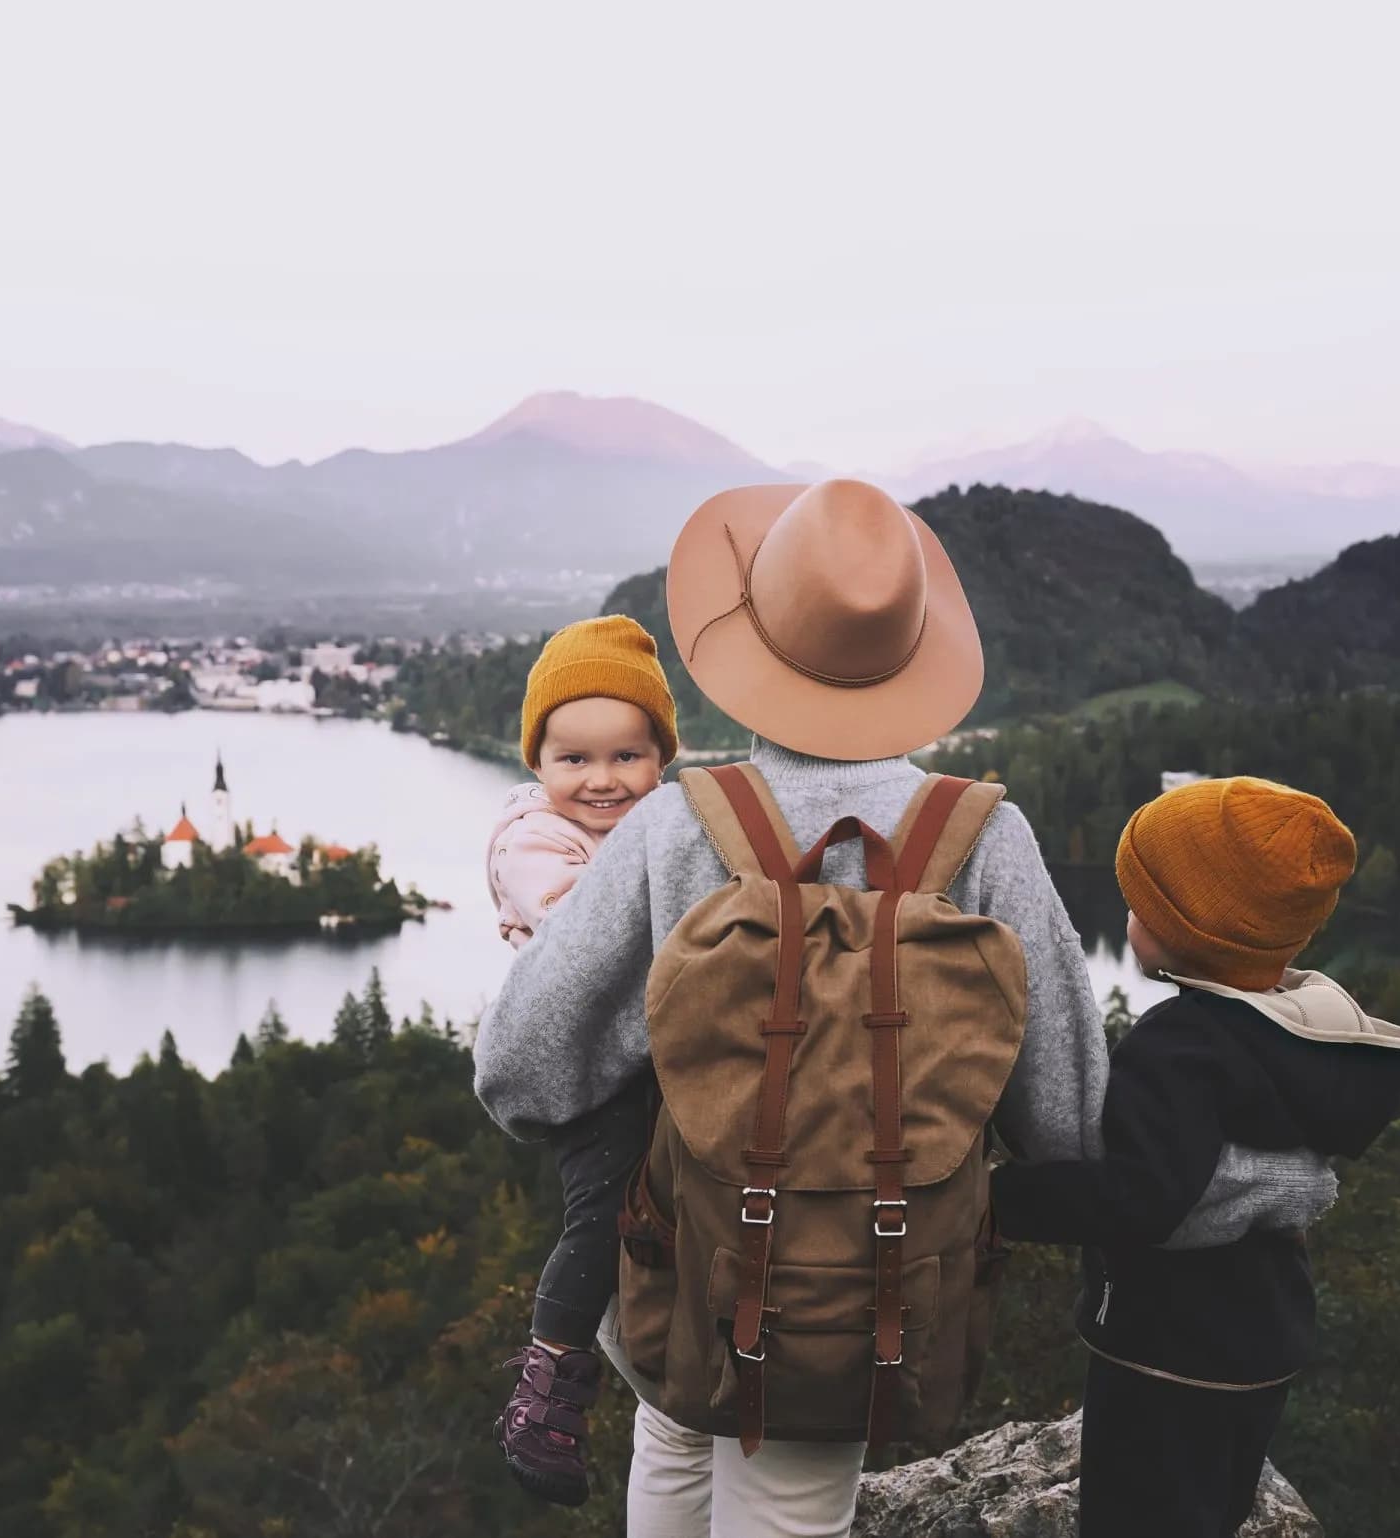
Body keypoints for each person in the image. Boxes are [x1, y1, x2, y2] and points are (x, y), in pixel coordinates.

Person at [475, 479, 1339, 1538]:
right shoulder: (983, 837)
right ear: (908, 656)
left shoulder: (672, 827)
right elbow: (1071, 1119)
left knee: (675, 1438)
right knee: (786, 1504)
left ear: (754, 641)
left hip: (678, 1262)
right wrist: (1270, 1184)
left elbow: (522, 1072)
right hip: (861, 1287)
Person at [992, 776, 1400, 1538]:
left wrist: (1001, 1200)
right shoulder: (1309, 1035)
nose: (1128, 913)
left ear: (1189, 928)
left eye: (1141, 901)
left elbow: (1142, 1198)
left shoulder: (1180, 1046)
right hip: (1265, 1336)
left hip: (1166, 1351)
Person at [487, 615, 680, 1507]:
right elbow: (584, 933)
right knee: (601, 1209)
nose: (602, 780)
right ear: (538, 764)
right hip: (580, 1068)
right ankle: (549, 1381)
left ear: (660, 758)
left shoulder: (660, 824)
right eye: (574, 760)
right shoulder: (534, 840)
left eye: (627, 758)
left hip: (638, 1050)